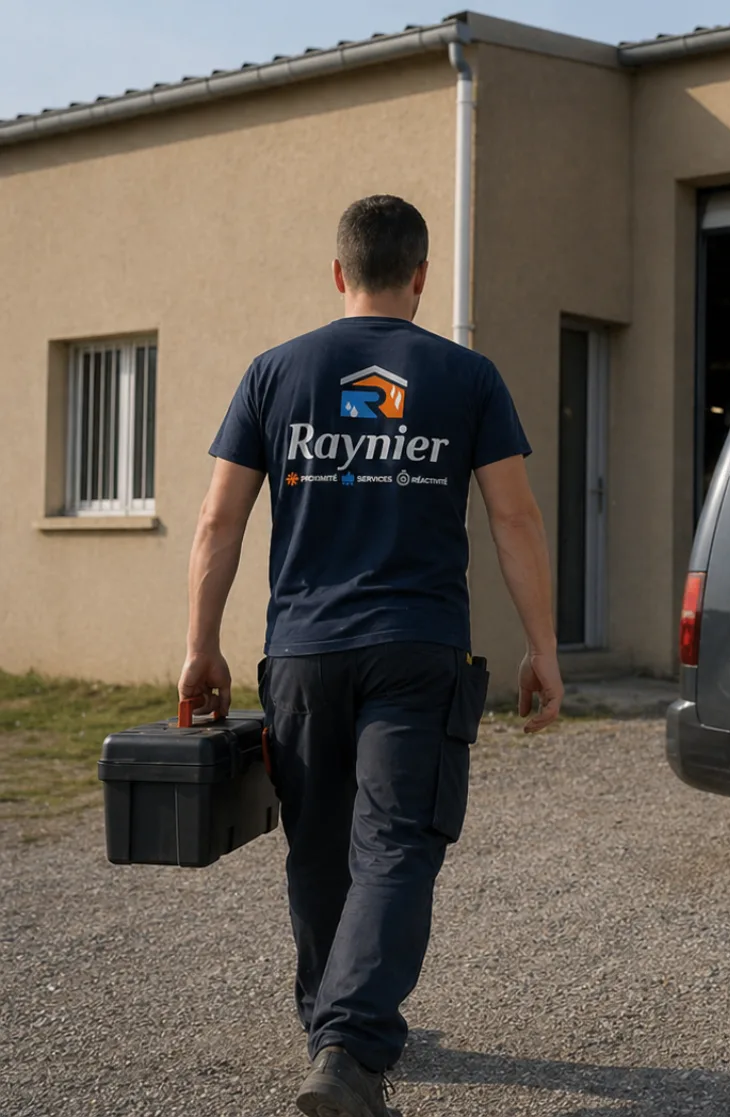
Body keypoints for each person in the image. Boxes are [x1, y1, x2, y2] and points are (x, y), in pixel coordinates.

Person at [179, 194, 564, 1117]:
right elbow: (514, 518)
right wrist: (543, 649)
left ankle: (334, 1028)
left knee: (319, 848)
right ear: (421, 276)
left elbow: (218, 520)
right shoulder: (466, 376)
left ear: (338, 272)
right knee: (395, 843)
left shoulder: (275, 373)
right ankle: (348, 1045)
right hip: (417, 647)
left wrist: (201, 645)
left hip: (302, 652)